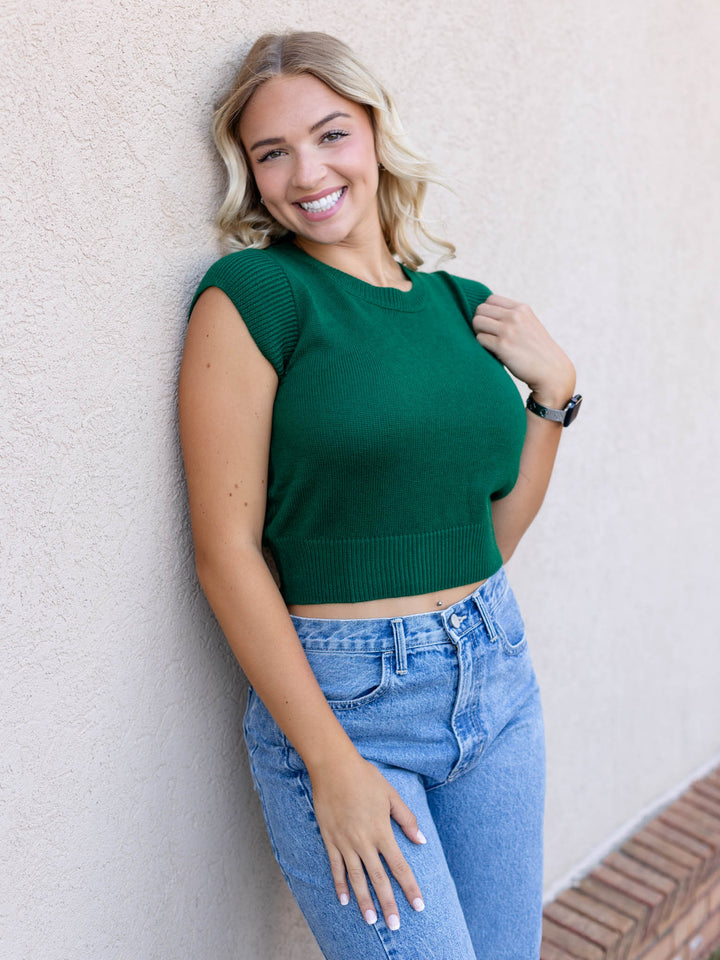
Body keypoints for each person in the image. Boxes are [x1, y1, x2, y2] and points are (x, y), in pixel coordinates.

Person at [178, 30, 580, 960]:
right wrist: (330, 763)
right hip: (350, 706)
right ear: (250, 174)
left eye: (329, 135)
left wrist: (555, 398)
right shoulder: (256, 296)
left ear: (374, 134)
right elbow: (224, 552)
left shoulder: (458, 305)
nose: (305, 171)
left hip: (496, 676)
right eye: (271, 152)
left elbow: (486, 539)